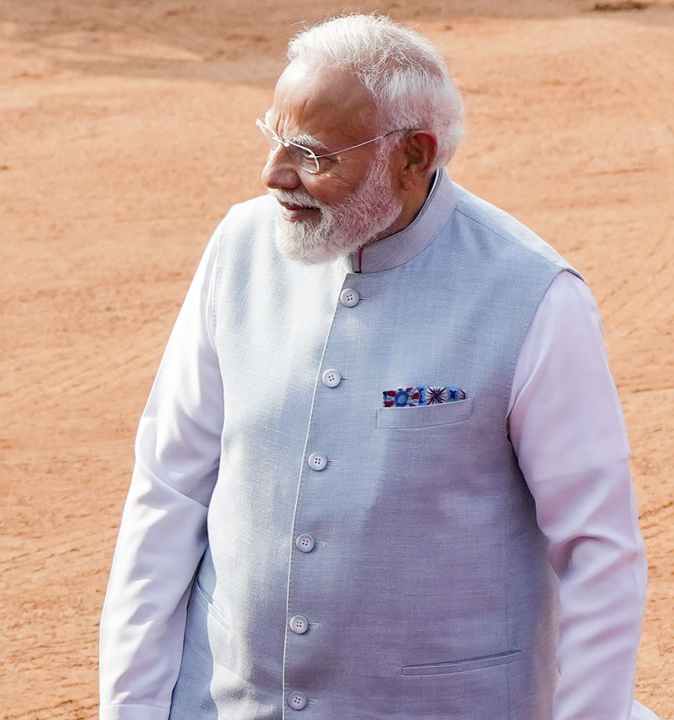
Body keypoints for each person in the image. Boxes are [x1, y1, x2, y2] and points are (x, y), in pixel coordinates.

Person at [98, 14, 654, 720]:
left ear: (414, 156)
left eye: (313, 154)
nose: (274, 175)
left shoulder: (534, 297)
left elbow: (598, 554)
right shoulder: (239, 248)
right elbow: (169, 488)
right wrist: (132, 708)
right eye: (274, 136)